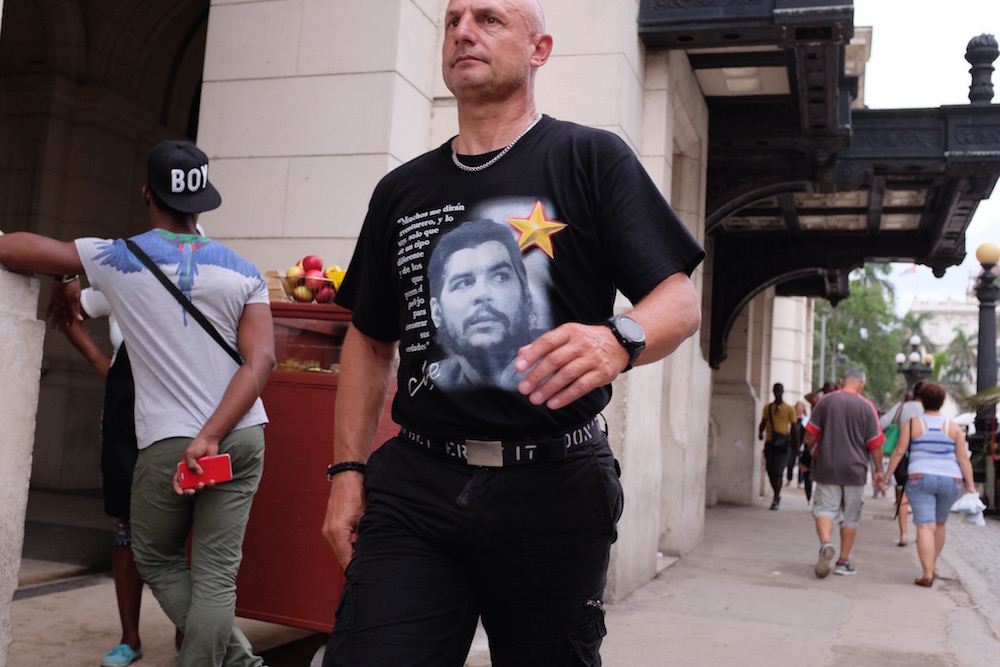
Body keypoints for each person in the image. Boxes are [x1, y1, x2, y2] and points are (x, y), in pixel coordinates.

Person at [319, 1, 705, 664]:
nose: (464, 30)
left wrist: (617, 339)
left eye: (490, 18)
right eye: (453, 19)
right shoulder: (400, 192)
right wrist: (346, 471)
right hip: (417, 485)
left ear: (539, 50)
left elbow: (678, 301)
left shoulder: (591, 158)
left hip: (555, 488)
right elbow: (370, 337)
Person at [0, 139, 275, 667]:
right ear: (203, 203)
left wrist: (66, 271)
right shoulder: (245, 271)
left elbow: (14, 248)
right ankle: (234, 662)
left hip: (171, 441)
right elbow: (260, 362)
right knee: (217, 571)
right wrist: (215, 432)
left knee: (152, 553)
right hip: (241, 436)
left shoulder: (118, 257)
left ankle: (235, 662)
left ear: (148, 194)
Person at [47, 285, 183, 666]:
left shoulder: (199, 279)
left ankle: (186, 632)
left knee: (184, 520)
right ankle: (130, 638)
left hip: (180, 413)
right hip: (125, 408)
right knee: (126, 522)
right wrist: (98, 360)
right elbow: (67, 311)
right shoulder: (124, 275)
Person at [428, 218, 538, 391]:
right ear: (437, 312)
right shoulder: (435, 382)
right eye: (463, 282)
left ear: (526, 293)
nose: (482, 294)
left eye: (500, 277)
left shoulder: (564, 362)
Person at [885, 382, 977, 587]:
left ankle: (926, 573)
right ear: (942, 402)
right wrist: (970, 485)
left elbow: (899, 452)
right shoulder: (953, 428)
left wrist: (886, 476)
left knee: (925, 525)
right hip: (950, 479)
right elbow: (963, 459)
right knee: (940, 524)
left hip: (920, 477)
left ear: (921, 401)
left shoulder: (913, 424)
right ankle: (933, 566)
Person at [803, 369, 885, 578]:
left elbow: (811, 434)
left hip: (827, 467)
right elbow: (875, 444)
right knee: (850, 517)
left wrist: (808, 455)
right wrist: (879, 471)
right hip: (854, 470)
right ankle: (843, 561)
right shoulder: (867, 407)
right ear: (861, 384)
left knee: (824, 509)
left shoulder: (825, 402)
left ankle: (825, 544)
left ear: (842, 382)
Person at [880, 381, 925, 547]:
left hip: (903, 457)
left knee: (904, 496)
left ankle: (903, 535)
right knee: (922, 499)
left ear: (913, 393)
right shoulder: (929, 411)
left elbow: (882, 423)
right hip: (922, 459)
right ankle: (922, 535)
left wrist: (885, 476)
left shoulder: (901, 407)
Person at [757, 383, 797, 510]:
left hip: (783, 444)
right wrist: (760, 433)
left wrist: (796, 445)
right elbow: (763, 422)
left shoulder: (789, 409)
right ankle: (776, 492)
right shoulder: (768, 408)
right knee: (770, 470)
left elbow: (794, 428)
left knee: (778, 471)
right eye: (775, 391)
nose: (778, 393)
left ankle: (775, 497)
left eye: (779, 391)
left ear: (783, 392)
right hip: (770, 443)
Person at [793, 401, 812, 501]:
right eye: (798, 406)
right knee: (791, 462)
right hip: (795, 444)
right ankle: (790, 477)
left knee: (803, 464)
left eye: (801, 406)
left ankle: (801, 481)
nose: (800, 408)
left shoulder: (806, 419)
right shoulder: (793, 418)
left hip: (804, 446)